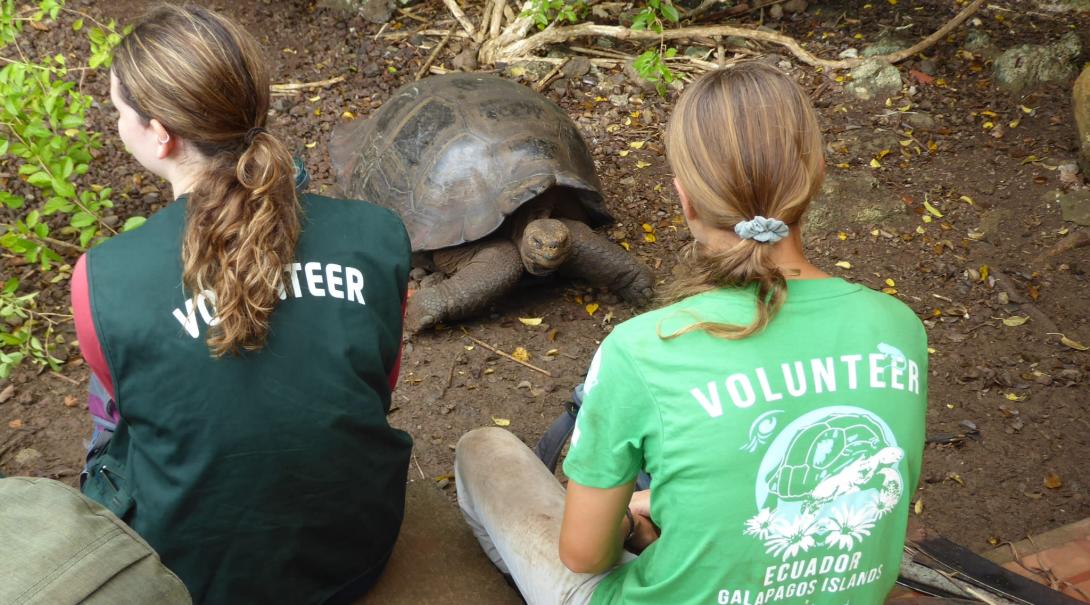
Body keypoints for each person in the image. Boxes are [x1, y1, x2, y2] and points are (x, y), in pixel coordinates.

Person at [455, 61, 928, 605]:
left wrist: (632, 524)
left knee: (482, 449)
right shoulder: (898, 328)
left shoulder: (641, 350)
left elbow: (586, 556)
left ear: (685, 200)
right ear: (818, 173)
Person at [70, 6, 412, 603]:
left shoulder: (103, 277)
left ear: (159, 133)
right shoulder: (378, 235)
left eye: (119, 110)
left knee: (115, 403)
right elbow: (381, 383)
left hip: (198, 577)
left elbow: (133, 408)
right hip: (355, 551)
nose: (116, 122)